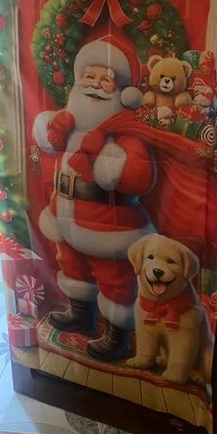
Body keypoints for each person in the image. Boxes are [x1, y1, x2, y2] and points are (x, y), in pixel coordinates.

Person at [32, 28, 154, 361]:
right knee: (71, 265)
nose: (94, 84)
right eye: (89, 76)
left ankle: (117, 337)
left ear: (122, 91)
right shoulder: (67, 124)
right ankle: (81, 315)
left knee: (114, 279)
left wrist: (108, 162)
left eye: (105, 79)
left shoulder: (124, 133)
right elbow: (48, 145)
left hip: (107, 226)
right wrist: (54, 128)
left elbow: (140, 176)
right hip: (65, 214)